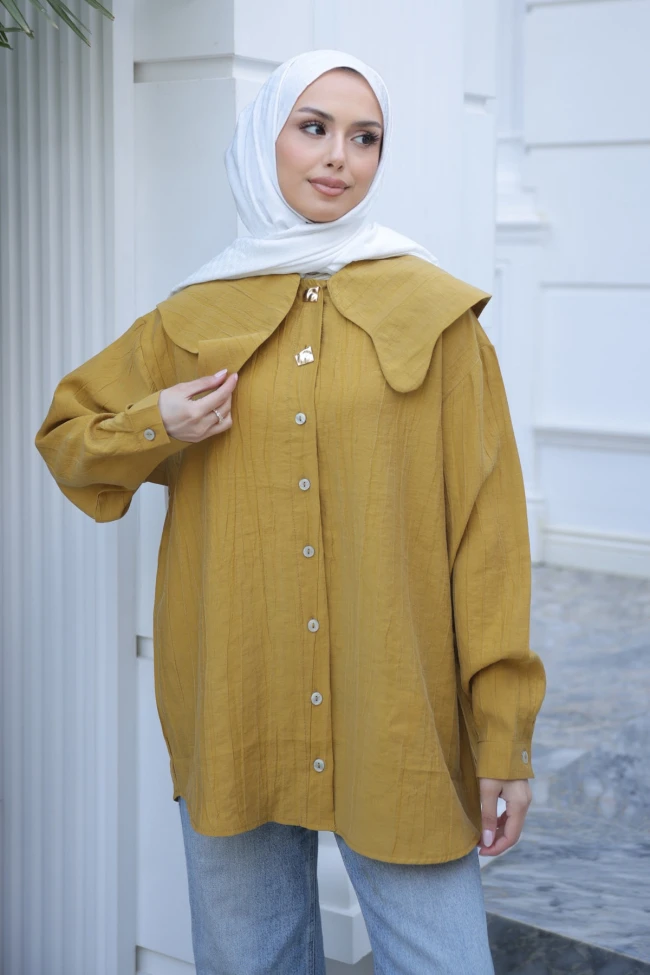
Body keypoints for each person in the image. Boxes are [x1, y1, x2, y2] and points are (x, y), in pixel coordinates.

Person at [36, 49, 546, 975]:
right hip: (237, 701)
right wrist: (159, 422)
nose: (339, 156)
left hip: (398, 710)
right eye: (313, 128)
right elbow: (68, 437)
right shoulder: (191, 318)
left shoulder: (438, 318)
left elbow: (490, 542)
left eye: (365, 137)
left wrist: (503, 736)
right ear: (263, 139)